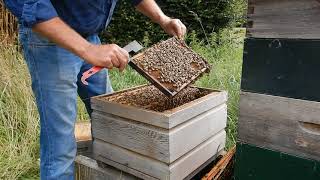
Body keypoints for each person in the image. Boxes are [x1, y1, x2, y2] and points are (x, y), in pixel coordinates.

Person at [3, 0, 187, 179]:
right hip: (50, 41)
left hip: (91, 38)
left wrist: (163, 19)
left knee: (110, 120)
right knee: (60, 141)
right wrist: (88, 50)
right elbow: (31, 4)